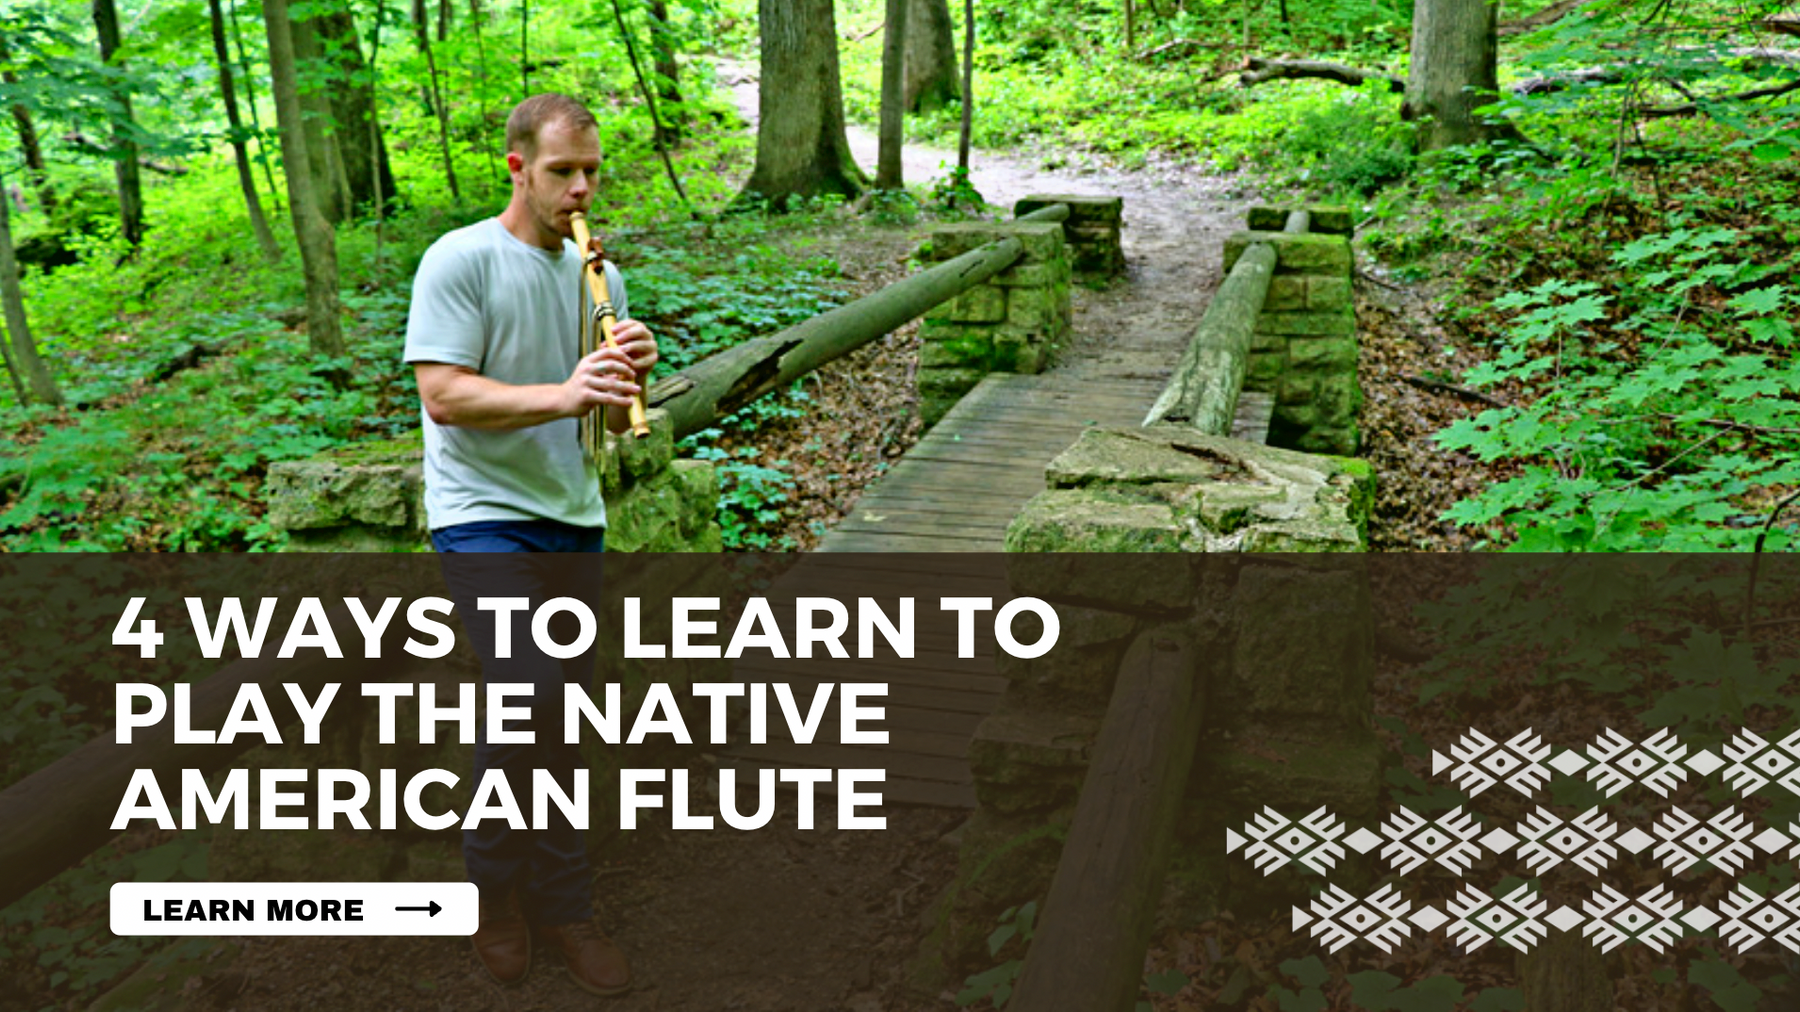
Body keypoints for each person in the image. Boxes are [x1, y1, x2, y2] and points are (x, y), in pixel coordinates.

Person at [403, 93, 658, 998]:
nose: (581, 189)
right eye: (562, 172)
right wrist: (565, 389)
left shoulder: (603, 276)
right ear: (517, 166)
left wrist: (629, 371)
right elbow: (445, 395)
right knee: (526, 696)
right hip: (481, 513)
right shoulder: (461, 259)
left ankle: (562, 903)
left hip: (571, 516)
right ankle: (491, 892)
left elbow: (605, 416)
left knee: (560, 720)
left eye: (592, 171)